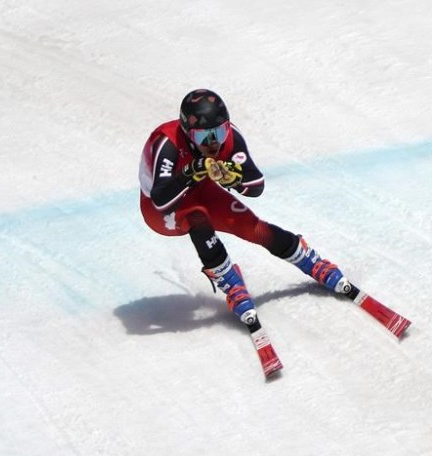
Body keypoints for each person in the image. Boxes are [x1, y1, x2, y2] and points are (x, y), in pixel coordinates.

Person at [138, 89, 352, 326]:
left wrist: (236, 180)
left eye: (218, 132)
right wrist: (189, 172)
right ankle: (229, 280)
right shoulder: (167, 143)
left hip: (199, 190)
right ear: (188, 134)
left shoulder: (231, 137)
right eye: (203, 137)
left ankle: (309, 260)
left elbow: (257, 185)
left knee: (251, 226)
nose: (213, 143)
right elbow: (160, 199)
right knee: (197, 217)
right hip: (160, 208)